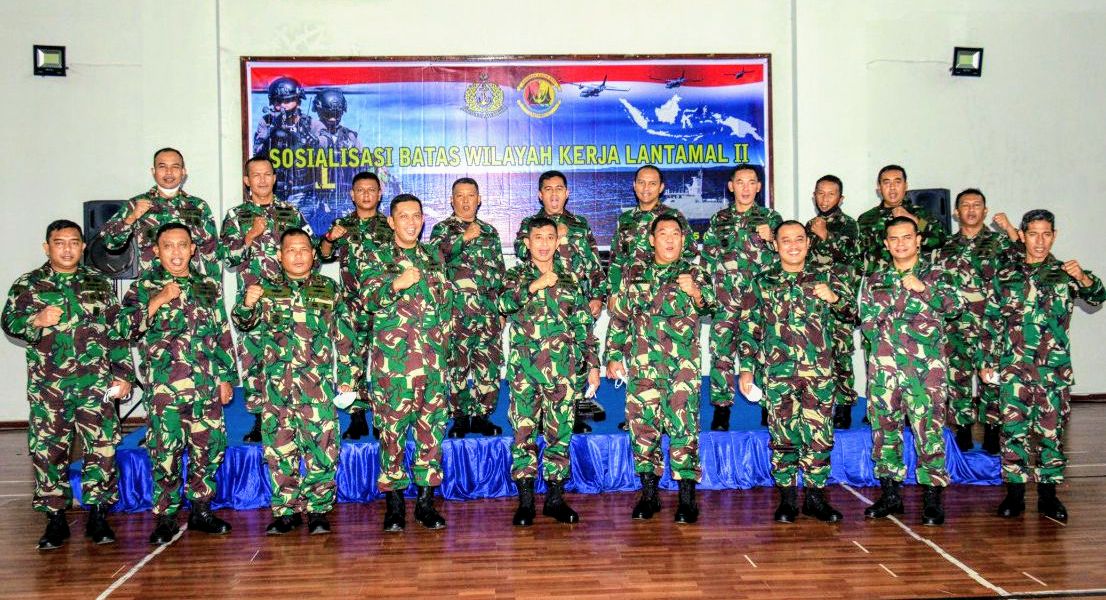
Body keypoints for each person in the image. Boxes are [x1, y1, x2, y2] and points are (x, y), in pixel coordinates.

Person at [2, 220, 134, 550]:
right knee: (48, 452)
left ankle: (98, 515)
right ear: (47, 247)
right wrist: (36, 320)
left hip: (96, 386)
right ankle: (55, 519)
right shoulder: (29, 284)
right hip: (50, 388)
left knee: (102, 449)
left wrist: (124, 374)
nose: (67, 249)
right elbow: (9, 322)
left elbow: (117, 332)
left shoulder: (99, 284)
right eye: (59, 243)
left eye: (74, 242)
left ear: (83, 247)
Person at [231, 228, 359, 536]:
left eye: (304, 249)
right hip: (276, 389)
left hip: (317, 388)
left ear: (314, 255)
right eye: (291, 250)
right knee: (279, 452)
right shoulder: (263, 289)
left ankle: (318, 510)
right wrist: (247, 303)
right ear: (280, 255)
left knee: (322, 450)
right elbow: (242, 323)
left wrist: (348, 378)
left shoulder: (329, 289)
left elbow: (345, 337)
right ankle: (286, 511)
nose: (298, 255)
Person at [981, 210, 1105, 522]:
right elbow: (992, 322)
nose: (1040, 241)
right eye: (1033, 234)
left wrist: (1083, 278)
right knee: (1013, 433)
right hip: (1014, 370)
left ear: (1054, 235)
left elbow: (1098, 296)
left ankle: (1049, 496)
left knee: (1051, 435)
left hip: (1053, 371)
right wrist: (987, 362)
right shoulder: (1005, 276)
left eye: (1046, 234)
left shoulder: (1066, 274)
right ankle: (1015, 495)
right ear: (1022, 236)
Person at [121, 223, 236, 544]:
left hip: (205, 386)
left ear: (192, 249)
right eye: (168, 245)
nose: (176, 252)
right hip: (165, 390)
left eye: (182, 245)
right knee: (165, 452)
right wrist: (158, 299)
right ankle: (166, 517)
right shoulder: (143, 286)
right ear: (156, 251)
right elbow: (125, 328)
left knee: (208, 449)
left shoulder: (207, 286)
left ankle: (201, 511)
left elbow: (222, 333)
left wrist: (226, 378)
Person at [738, 221, 853, 523]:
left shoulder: (827, 277)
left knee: (819, 436)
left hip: (819, 373)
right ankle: (787, 500)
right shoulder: (762, 282)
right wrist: (747, 369)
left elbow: (854, 314)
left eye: (799, 239)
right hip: (778, 373)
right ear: (775, 245)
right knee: (783, 436)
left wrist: (835, 299)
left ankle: (815, 498)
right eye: (785, 240)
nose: (793, 245)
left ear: (808, 243)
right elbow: (750, 328)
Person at [606, 214, 715, 524]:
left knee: (684, 430)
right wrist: (613, 355)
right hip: (643, 369)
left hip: (682, 370)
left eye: (675, 233)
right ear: (652, 240)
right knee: (643, 430)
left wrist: (695, 292)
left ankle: (687, 500)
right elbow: (620, 318)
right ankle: (649, 495)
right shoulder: (635, 274)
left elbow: (712, 308)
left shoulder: (695, 273)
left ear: (683, 239)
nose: (669, 239)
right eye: (663, 233)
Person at [859, 216, 962, 526]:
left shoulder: (937, 274)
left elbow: (955, 307)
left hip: (925, 372)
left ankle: (932, 499)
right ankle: (891, 495)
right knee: (884, 432)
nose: (900, 243)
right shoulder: (875, 280)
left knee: (928, 432)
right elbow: (866, 322)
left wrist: (924, 289)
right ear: (886, 244)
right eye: (894, 238)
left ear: (918, 240)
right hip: (885, 372)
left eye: (907, 237)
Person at [362, 194, 455, 532]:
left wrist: (443, 354)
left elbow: (446, 307)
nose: (411, 222)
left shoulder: (433, 258)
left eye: (416, 216)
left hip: (432, 365)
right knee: (392, 434)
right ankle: (395, 505)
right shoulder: (376, 257)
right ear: (391, 221)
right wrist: (395, 285)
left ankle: (426, 504)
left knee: (431, 434)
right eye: (404, 216)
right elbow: (367, 300)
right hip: (394, 369)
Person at [499, 217, 600, 526]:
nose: (543, 244)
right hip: (525, 372)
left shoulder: (570, 279)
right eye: (537, 237)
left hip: (562, 371)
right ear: (527, 243)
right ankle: (526, 502)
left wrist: (593, 365)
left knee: (560, 434)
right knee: (524, 433)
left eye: (549, 238)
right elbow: (503, 304)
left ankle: (555, 499)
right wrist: (534, 286)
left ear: (558, 242)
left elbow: (584, 327)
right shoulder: (515, 276)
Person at [220, 155, 312, 442]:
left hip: (289, 303)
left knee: (292, 358)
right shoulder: (236, 216)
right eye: (255, 175)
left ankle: (296, 416)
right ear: (247, 181)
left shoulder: (291, 213)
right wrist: (250, 235)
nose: (261, 180)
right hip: (254, 303)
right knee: (254, 359)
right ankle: (260, 419)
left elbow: (313, 254)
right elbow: (229, 259)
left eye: (267, 174)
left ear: (274, 178)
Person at [513, 170, 606, 433]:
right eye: (548, 189)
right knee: (543, 359)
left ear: (567, 193)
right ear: (540, 194)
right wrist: (553, 233)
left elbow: (593, 263)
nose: (554, 194)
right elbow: (521, 251)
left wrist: (597, 296)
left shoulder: (580, 224)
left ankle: (573, 411)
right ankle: (543, 413)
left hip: (574, 302)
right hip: (541, 304)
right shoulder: (530, 223)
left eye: (559, 189)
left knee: (577, 357)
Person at [605, 165, 695, 431]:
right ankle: (639, 413)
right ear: (634, 186)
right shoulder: (626, 220)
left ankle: (668, 415)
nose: (646, 188)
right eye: (642, 183)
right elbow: (617, 259)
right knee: (637, 355)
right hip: (634, 295)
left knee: (667, 356)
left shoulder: (673, 217)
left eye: (652, 183)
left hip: (666, 297)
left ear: (661, 187)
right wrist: (613, 291)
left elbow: (688, 253)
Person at [936, 189, 1019, 452]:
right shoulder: (945, 247)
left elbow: (1024, 259)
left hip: (991, 328)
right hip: (955, 328)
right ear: (956, 212)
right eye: (965, 205)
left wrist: (1010, 229)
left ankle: (993, 433)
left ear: (985, 210)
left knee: (992, 381)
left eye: (976, 205)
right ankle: (962, 432)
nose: (971, 209)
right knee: (957, 381)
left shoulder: (1000, 243)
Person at [701, 164, 782, 430]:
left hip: (760, 300)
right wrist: (705, 295)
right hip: (726, 300)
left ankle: (768, 407)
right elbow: (707, 260)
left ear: (759, 187)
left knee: (766, 352)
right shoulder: (719, 219)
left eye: (751, 182)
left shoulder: (771, 218)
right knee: (721, 353)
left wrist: (772, 240)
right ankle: (721, 409)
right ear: (731, 186)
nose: (745, 188)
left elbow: (788, 256)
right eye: (740, 182)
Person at [319, 171, 393, 440]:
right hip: (351, 306)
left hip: (384, 306)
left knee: (385, 363)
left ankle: (384, 418)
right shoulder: (342, 224)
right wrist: (330, 238)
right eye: (360, 190)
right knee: (353, 362)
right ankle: (357, 417)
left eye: (371, 190)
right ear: (352, 194)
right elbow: (323, 256)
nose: (366, 194)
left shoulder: (389, 225)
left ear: (380, 194)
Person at [430, 178, 506, 438]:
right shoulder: (442, 229)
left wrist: (501, 310)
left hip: (487, 312)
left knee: (488, 365)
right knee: (457, 365)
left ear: (479, 199)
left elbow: (499, 272)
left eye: (470, 195)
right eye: (460, 196)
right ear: (452, 200)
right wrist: (463, 238)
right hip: (456, 313)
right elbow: (435, 259)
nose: (465, 201)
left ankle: (483, 416)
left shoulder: (490, 232)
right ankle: (460, 417)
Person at [99, 147, 221, 278]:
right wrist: (131, 218)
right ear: (154, 171)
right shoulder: (136, 204)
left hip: (188, 285)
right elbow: (109, 243)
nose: (169, 172)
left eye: (175, 167)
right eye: (162, 167)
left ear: (183, 172)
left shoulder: (198, 206)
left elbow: (211, 252)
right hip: (151, 284)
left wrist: (213, 287)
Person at [804, 175, 861, 430]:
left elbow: (852, 256)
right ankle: (820, 403)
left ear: (841, 198)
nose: (825, 199)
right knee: (817, 353)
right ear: (814, 195)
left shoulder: (849, 225)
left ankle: (845, 406)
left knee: (841, 354)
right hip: (815, 300)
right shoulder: (810, 224)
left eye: (831, 194)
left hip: (839, 298)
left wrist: (825, 235)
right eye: (820, 193)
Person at [856, 165, 948, 275]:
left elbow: (941, 238)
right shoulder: (866, 218)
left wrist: (914, 220)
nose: (892, 187)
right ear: (879, 188)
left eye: (897, 182)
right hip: (877, 279)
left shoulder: (921, 214)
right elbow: (857, 253)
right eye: (886, 183)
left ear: (905, 186)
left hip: (914, 277)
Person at [253, 76, 318, 202]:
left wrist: (307, 141)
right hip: (275, 190)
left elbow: (326, 150)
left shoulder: (311, 124)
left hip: (303, 191)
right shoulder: (266, 122)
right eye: (278, 101)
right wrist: (272, 133)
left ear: (298, 101)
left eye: (287, 101)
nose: (283, 106)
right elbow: (257, 153)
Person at [310, 88, 361, 212]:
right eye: (328, 114)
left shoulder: (350, 137)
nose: (332, 119)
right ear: (319, 111)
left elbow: (364, 163)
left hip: (344, 198)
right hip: (316, 198)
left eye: (337, 114)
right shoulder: (309, 135)